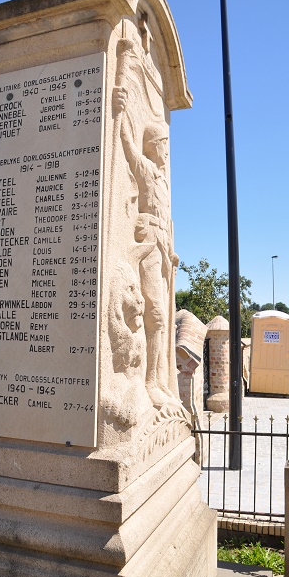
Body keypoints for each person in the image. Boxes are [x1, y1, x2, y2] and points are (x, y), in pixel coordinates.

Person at [114, 87, 178, 407]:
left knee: (163, 317)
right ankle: (150, 381)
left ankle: (158, 379)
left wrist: (172, 250)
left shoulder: (165, 181)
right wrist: (120, 106)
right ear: (154, 145)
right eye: (164, 144)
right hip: (149, 245)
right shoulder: (145, 168)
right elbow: (126, 143)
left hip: (165, 251)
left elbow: (167, 218)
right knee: (154, 313)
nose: (167, 151)